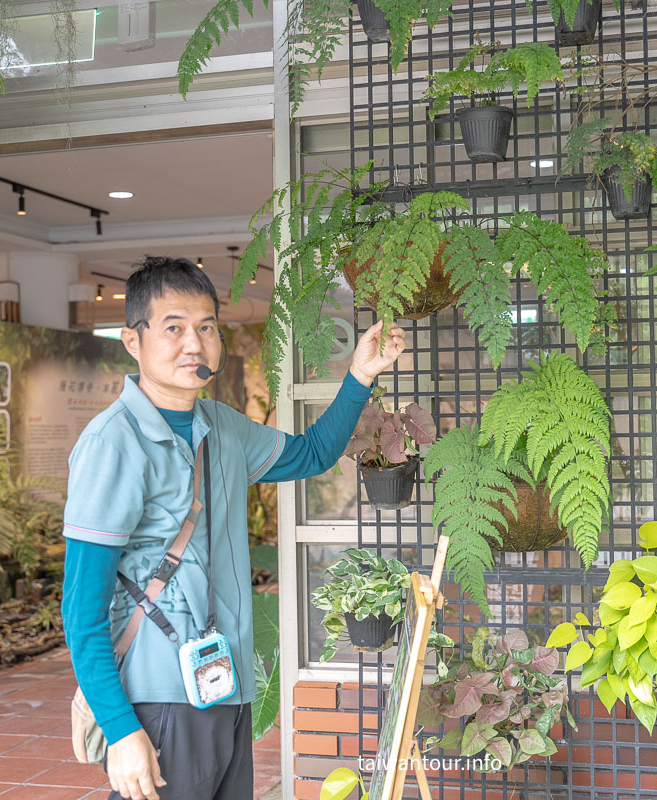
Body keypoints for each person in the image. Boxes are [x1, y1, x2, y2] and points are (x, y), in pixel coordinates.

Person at [61, 256, 405, 800]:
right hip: (159, 700)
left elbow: (312, 454)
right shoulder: (113, 444)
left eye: (206, 327)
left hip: (226, 686)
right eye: (172, 328)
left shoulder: (220, 426)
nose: (193, 344)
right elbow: (80, 612)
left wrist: (361, 374)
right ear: (133, 340)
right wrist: (124, 729)